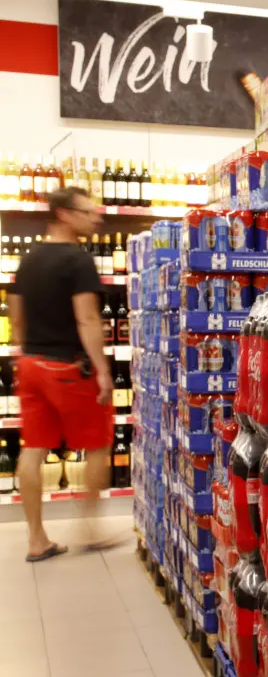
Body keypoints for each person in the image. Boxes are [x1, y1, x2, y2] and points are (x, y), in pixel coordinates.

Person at [11, 186, 117, 561]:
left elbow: (16, 318)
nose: (96, 218)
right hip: (68, 368)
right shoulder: (77, 260)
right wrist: (103, 371)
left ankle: (37, 539)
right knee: (99, 443)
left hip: (31, 364)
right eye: (88, 212)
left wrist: (30, 352)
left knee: (33, 449)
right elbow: (87, 319)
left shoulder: (28, 260)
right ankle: (89, 530)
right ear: (65, 215)